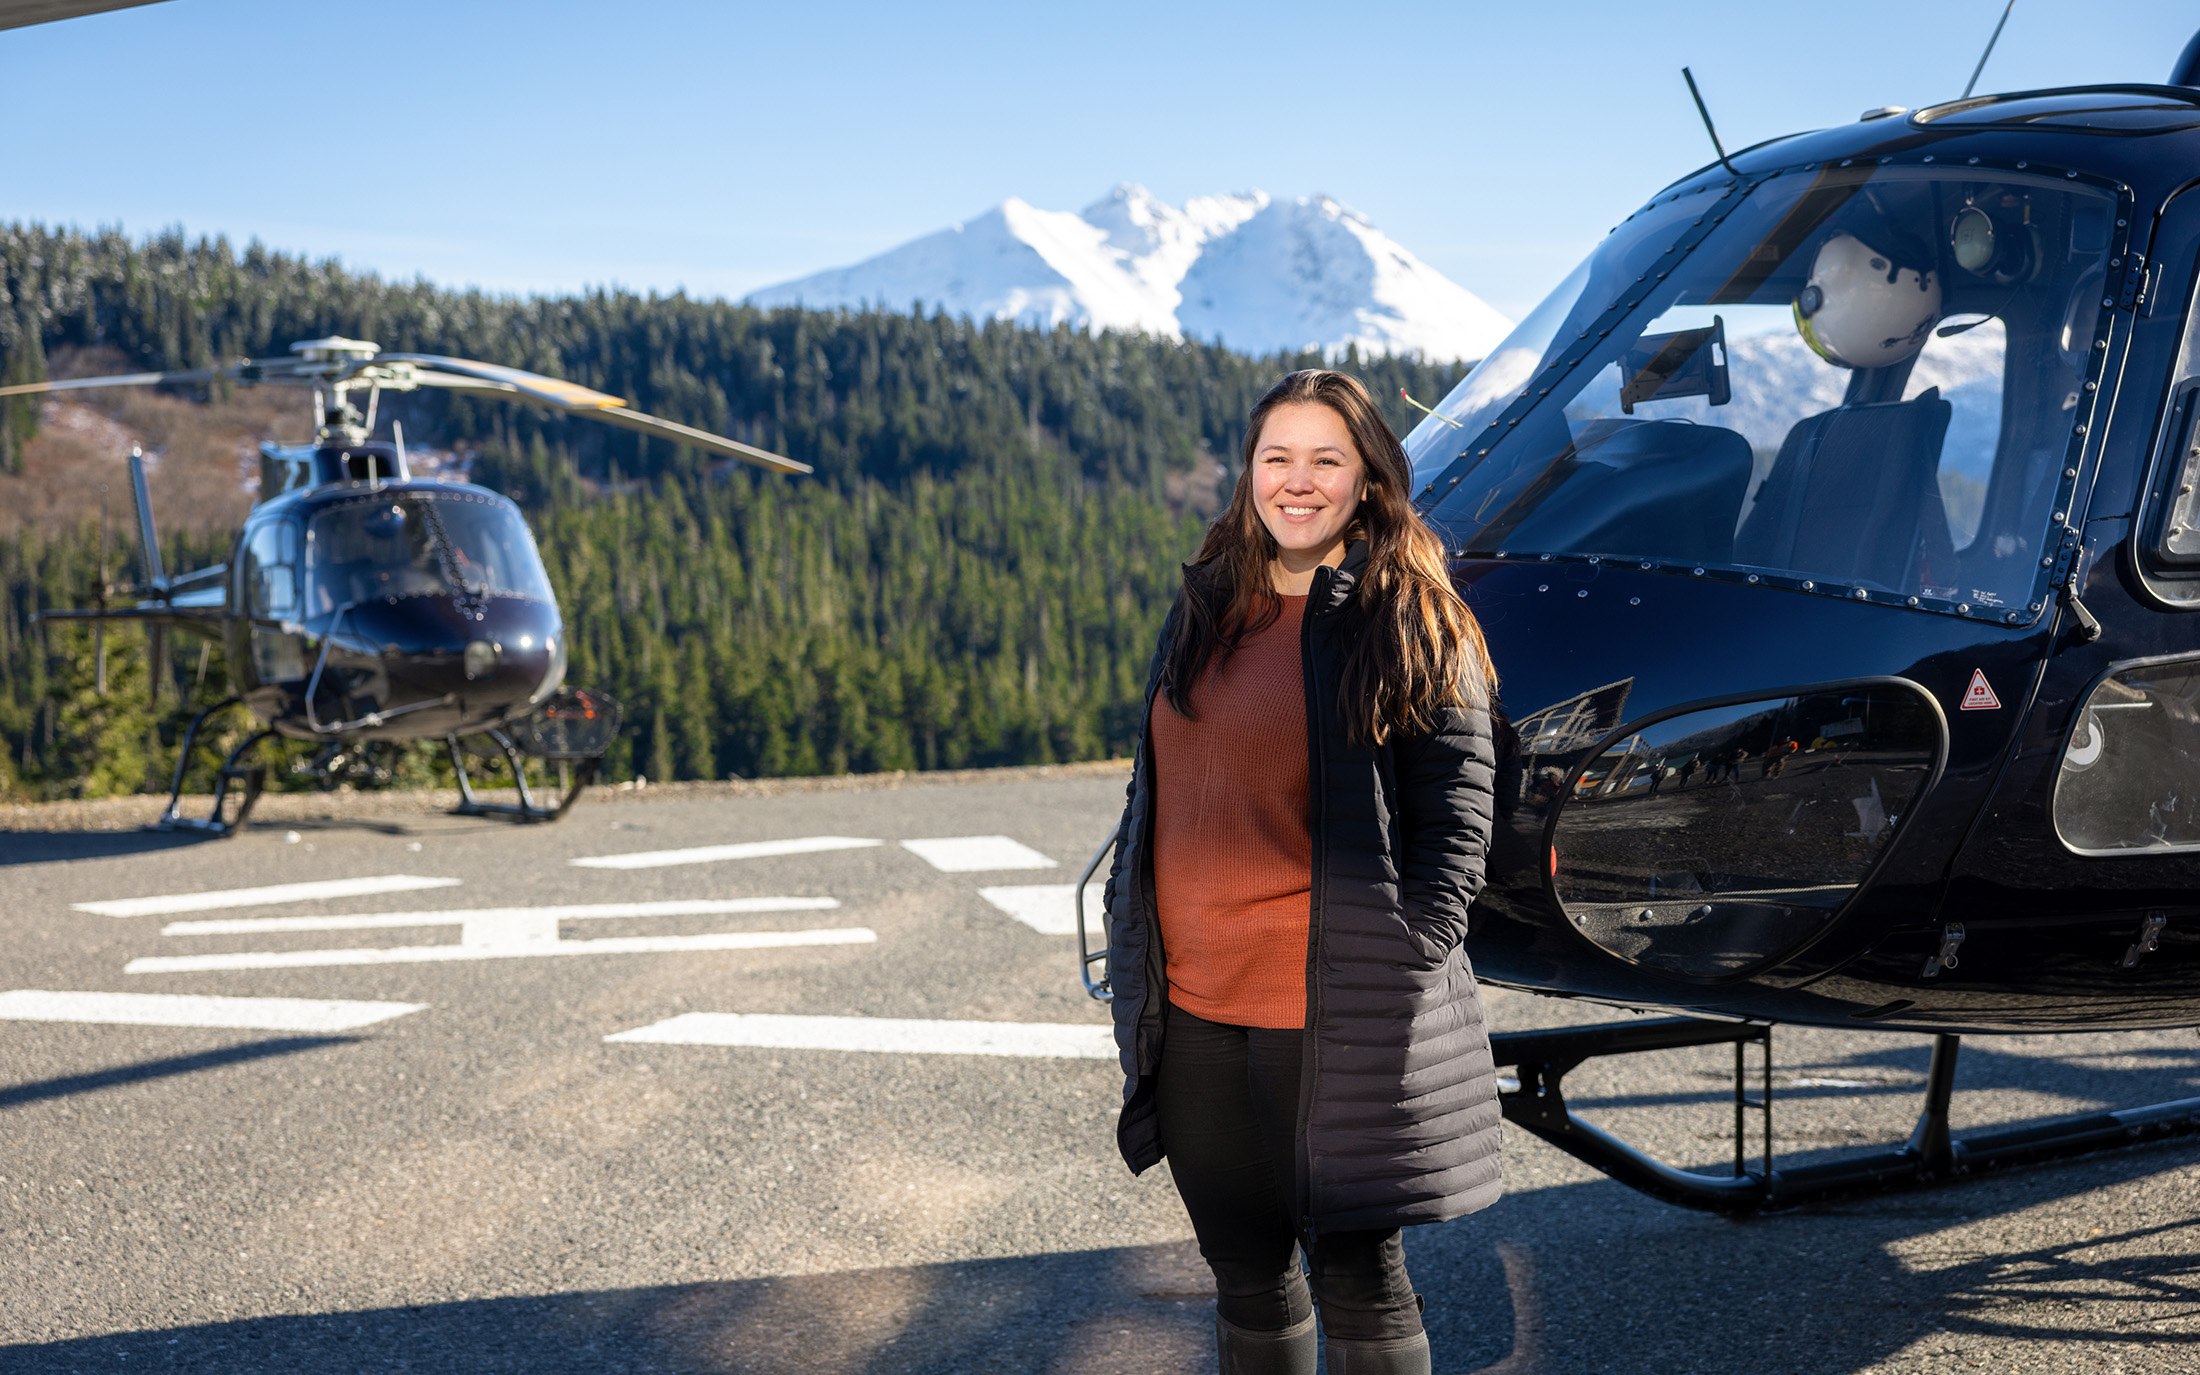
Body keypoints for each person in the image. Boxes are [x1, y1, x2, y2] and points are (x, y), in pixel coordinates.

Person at [1102, 370, 1502, 1375]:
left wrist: (1393, 972)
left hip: (1330, 1013)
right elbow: (1162, 782)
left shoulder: (1412, 618)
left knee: (1358, 1282)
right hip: (1193, 1011)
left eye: (1325, 459)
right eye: (1276, 457)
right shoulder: (1208, 608)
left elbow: (1455, 834)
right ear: (1248, 474)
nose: (1297, 481)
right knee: (1244, 1278)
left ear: (1368, 480)